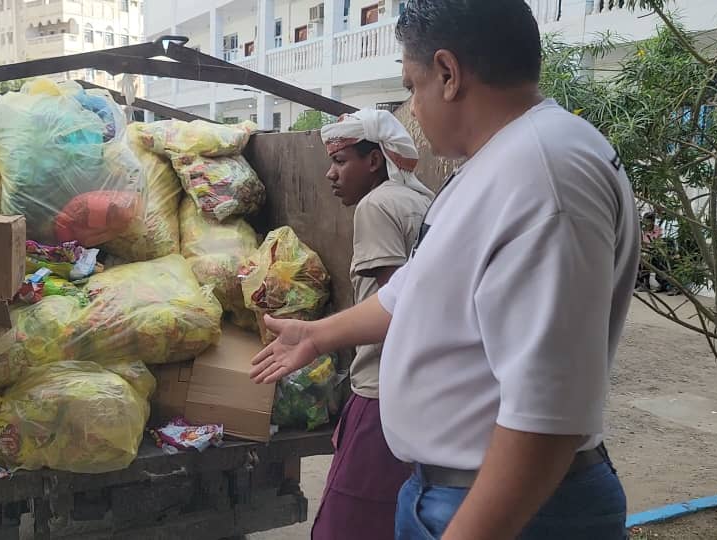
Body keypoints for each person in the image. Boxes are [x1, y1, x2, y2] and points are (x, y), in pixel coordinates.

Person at [249, 1, 639, 539]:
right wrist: (316, 335)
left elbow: (548, 417)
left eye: (412, 86)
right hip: (454, 491)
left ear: (449, 74)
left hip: (512, 510)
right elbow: (409, 292)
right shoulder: (497, 164)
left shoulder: (543, 175)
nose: (412, 107)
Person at [310, 109, 433, 540]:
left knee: (345, 522)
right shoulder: (422, 200)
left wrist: (317, 337)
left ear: (375, 160)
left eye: (340, 161)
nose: (331, 174)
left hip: (381, 390)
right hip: (422, 390)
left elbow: (397, 306)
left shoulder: (377, 206)